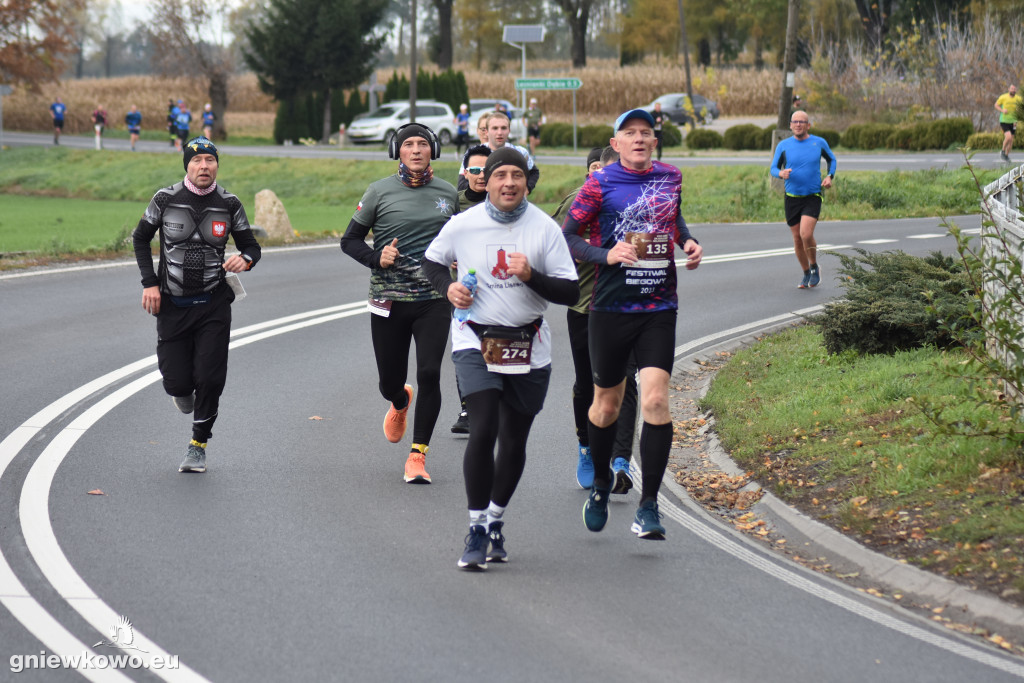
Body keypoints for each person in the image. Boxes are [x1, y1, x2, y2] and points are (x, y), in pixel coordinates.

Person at [422, 147, 579, 570]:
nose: (509, 182)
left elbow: (570, 292)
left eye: (517, 175)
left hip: (529, 345)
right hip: (474, 337)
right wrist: (448, 289)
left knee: (513, 439)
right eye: (500, 175)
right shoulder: (463, 224)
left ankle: (494, 520)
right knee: (484, 426)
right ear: (486, 181)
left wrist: (531, 276)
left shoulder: (544, 229)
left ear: (528, 181)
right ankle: (475, 527)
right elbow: (432, 262)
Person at [561, 108, 703, 540]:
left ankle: (649, 505)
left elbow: (671, 218)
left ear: (654, 143)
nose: (639, 139)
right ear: (616, 142)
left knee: (656, 401)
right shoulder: (600, 182)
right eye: (630, 133)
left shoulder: (671, 177)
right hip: (610, 309)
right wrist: (606, 255)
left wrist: (688, 240)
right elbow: (566, 236)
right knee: (605, 406)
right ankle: (601, 484)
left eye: (646, 133)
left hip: (659, 306)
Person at [131, 136, 261, 473]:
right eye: (197, 161)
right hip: (172, 303)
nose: (204, 166)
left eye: (210, 161)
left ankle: (198, 445)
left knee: (210, 376)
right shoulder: (165, 198)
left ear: (217, 165)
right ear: (187, 165)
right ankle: (181, 391)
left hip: (213, 304)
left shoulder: (229, 204)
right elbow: (140, 238)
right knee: (176, 383)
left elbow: (251, 247)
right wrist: (149, 283)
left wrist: (244, 259)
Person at [340, 124, 458, 484]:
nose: (417, 150)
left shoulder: (448, 194)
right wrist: (378, 257)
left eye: (423, 143)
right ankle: (399, 401)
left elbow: (466, 236)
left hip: (434, 299)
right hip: (389, 299)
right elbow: (350, 241)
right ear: (397, 151)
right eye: (409, 144)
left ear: (433, 149)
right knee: (389, 382)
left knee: (429, 373)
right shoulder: (379, 192)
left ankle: (417, 456)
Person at [552, 146, 640, 494]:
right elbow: (556, 246)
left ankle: (620, 459)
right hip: (585, 306)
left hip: (628, 307)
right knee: (588, 383)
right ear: (595, 169)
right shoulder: (577, 201)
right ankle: (587, 447)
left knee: (626, 380)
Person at [447, 144, 493, 435]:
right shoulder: (454, 202)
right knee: (464, 349)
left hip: (499, 290)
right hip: (461, 292)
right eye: (474, 170)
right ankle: (467, 408)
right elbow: (436, 241)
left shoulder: (504, 203)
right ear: (466, 172)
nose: (480, 176)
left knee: (492, 349)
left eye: (486, 170)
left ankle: (493, 402)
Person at [769, 111, 837, 289]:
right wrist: (780, 173)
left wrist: (830, 176)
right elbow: (773, 168)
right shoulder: (783, 145)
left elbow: (832, 159)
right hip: (791, 198)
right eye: (795, 122)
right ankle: (806, 272)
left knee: (805, 234)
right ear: (790, 125)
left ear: (808, 125)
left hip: (812, 195)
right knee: (797, 239)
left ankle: (814, 265)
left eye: (802, 122)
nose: (798, 124)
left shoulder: (818, 142)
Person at [995, 84, 1021, 163]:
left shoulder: (1018, 99)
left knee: (1011, 141)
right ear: (1008, 89)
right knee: (1008, 137)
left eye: (1014, 89)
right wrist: (1002, 111)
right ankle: (1003, 151)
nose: (1013, 90)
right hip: (1004, 121)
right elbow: (996, 105)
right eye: (1012, 89)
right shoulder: (1003, 97)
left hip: (1013, 122)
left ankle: (1006, 155)